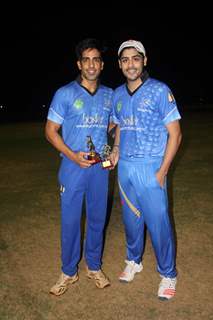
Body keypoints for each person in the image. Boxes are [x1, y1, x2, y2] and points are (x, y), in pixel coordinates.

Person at [111, 40, 182, 300]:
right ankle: (134, 261)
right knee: (131, 220)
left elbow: (175, 134)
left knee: (158, 223)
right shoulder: (118, 94)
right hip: (126, 168)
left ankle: (168, 274)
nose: (131, 64)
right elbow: (118, 124)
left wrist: (162, 170)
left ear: (144, 61)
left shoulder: (160, 90)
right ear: (120, 64)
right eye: (125, 59)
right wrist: (116, 147)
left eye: (135, 58)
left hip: (151, 165)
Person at [45, 38, 114, 296]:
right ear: (79, 64)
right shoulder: (64, 93)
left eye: (96, 59)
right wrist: (73, 155)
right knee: (71, 221)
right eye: (86, 60)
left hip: (98, 169)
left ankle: (94, 267)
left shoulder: (109, 95)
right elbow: (50, 132)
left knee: (97, 219)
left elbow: (112, 126)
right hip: (72, 168)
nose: (91, 64)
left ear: (102, 64)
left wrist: (106, 155)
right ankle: (68, 271)